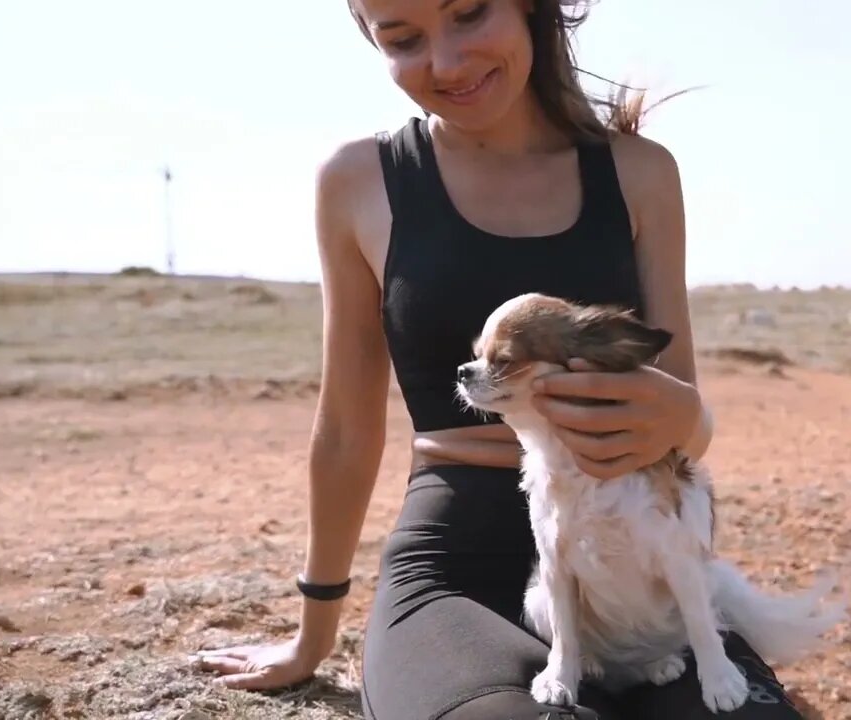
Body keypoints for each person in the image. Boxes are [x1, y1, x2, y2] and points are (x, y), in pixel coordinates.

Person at [189, 1, 810, 717]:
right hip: (453, 572)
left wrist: (689, 413)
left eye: (471, 13)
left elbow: (681, 438)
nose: (446, 62)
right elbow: (346, 434)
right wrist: (313, 634)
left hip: (634, 576)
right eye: (403, 38)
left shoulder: (639, 173)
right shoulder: (361, 179)